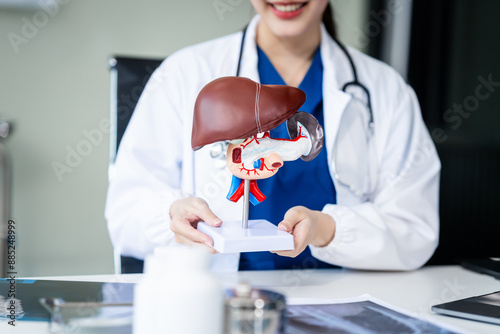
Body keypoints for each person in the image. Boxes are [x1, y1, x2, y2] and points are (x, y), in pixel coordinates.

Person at [105, 0, 440, 272]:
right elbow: (125, 214)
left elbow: (414, 230)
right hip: (218, 300)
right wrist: (171, 215)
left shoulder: (386, 90)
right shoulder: (184, 73)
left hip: (341, 298)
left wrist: (327, 229)